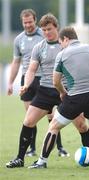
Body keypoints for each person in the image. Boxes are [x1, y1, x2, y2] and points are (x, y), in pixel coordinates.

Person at [6, 13, 89, 168]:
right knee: (28, 121)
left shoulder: (66, 45)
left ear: (56, 28)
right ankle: (19, 158)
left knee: (82, 126)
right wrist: (26, 84)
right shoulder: (39, 47)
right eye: (44, 30)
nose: (46, 33)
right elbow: (31, 69)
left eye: (49, 29)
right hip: (45, 90)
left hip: (66, 92)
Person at [27, 26, 89, 169]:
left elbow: (55, 81)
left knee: (53, 127)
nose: (60, 45)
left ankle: (42, 161)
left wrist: (62, 92)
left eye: (60, 43)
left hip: (74, 97)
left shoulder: (62, 55)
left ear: (65, 39)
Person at [7, 9, 69, 157]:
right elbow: (16, 62)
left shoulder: (45, 34)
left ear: (35, 21)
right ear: (22, 22)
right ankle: (32, 149)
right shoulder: (18, 40)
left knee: (52, 117)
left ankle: (59, 147)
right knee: (30, 116)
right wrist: (10, 82)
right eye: (25, 22)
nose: (28, 25)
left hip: (45, 79)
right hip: (27, 78)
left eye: (30, 21)